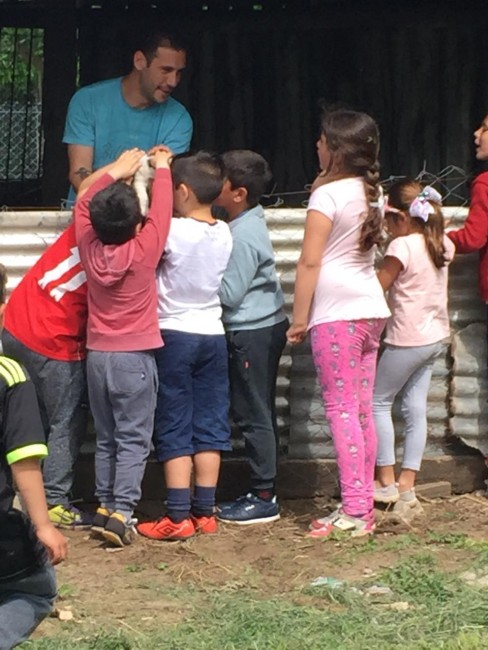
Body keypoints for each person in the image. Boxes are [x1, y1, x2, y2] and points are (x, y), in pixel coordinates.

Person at [287, 108, 390, 539]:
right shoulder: (372, 191)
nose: (317, 144)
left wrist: (298, 318)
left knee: (342, 411)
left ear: (336, 150)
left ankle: (355, 511)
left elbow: (310, 260)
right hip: (370, 309)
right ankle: (359, 504)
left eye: (322, 140)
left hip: (337, 315)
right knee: (361, 410)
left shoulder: (326, 198)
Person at [74, 147, 173, 547]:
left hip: (98, 356)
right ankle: (122, 514)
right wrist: (161, 169)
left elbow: (83, 204)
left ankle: (104, 505)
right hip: (135, 358)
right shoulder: (144, 250)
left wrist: (115, 170)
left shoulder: (87, 245)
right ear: (137, 225)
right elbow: (163, 211)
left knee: (108, 437)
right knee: (134, 437)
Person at [136, 151, 233, 541]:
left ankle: (176, 515)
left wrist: (156, 171)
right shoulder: (225, 232)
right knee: (210, 422)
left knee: (174, 421)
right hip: (213, 333)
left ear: (182, 190)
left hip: (173, 334)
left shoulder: (172, 232)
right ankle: (204, 512)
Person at [212, 150, 288, 525]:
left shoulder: (242, 235)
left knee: (252, 411)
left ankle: (263, 495)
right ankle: (263, 487)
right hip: (262, 326)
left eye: (219, 180)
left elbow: (229, 295)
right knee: (258, 408)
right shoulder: (247, 220)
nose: (213, 185)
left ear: (238, 193)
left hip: (251, 330)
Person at [1, 220, 90, 529]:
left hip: (16, 324)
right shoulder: (117, 250)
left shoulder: (83, 222)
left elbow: (90, 186)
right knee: (65, 418)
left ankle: (16, 493)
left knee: (22, 416)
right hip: (54, 342)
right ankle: (53, 500)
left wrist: (123, 167)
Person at [373, 181, 454, 516]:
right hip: (435, 338)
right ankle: (407, 485)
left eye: (388, 219)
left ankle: (386, 482)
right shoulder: (444, 243)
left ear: (403, 219)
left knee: (377, 402)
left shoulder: (402, 247)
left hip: (406, 340)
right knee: (415, 408)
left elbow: (378, 288)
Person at [0, 263, 68, 650]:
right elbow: (23, 460)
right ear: (3, 310)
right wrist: (43, 525)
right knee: (36, 591)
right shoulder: (9, 376)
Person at [63, 30, 192, 204]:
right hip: (87, 214)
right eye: (166, 70)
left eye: (178, 72)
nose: (173, 81)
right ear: (139, 61)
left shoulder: (179, 118)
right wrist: (124, 168)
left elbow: (163, 188)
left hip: (143, 221)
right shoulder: (88, 100)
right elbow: (79, 173)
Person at [447, 115, 488, 335]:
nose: (476, 134)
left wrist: (442, 236)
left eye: (485, 129)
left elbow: (473, 238)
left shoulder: (485, 183)